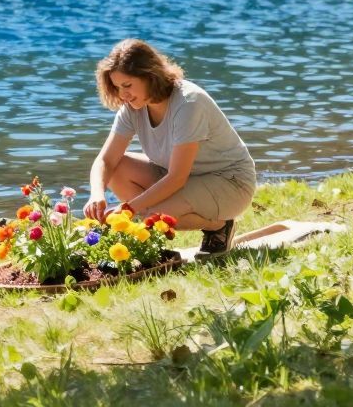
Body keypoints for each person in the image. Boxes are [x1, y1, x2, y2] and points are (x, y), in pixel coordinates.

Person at [83, 39, 256, 256]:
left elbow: (176, 178)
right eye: (117, 88)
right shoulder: (133, 108)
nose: (122, 95)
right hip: (187, 179)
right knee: (118, 169)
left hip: (230, 183)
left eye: (127, 85)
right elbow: (106, 161)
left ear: (149, 76)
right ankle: (150, 230)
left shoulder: (188, 103)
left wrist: (130, 210)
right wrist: (96, 194)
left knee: (149, 216)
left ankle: (219, 225)